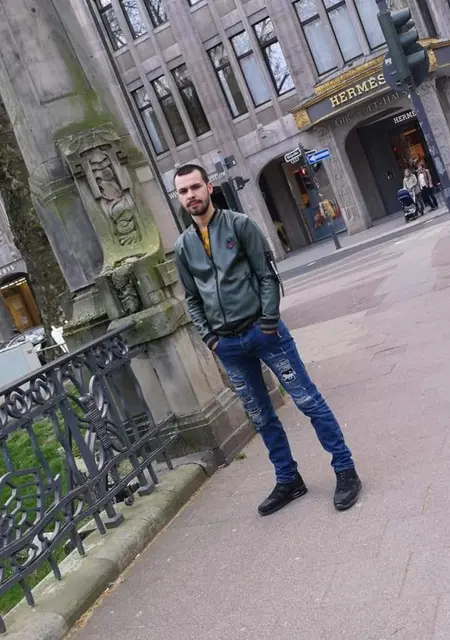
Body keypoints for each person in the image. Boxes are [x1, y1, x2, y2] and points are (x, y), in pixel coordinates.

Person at [173, 164, 361, 516]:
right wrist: (210, 339)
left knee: (308, 401)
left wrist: (269, 322)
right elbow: (192, 298)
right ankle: (288, 479)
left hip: (264, 333)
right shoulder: (183, 246)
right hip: (228, 346)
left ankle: (345, 469)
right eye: (183, 191)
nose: (190, 195)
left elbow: (266, 276)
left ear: (209, 188)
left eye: (195, 187)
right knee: (261, 416)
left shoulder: (239, 225)